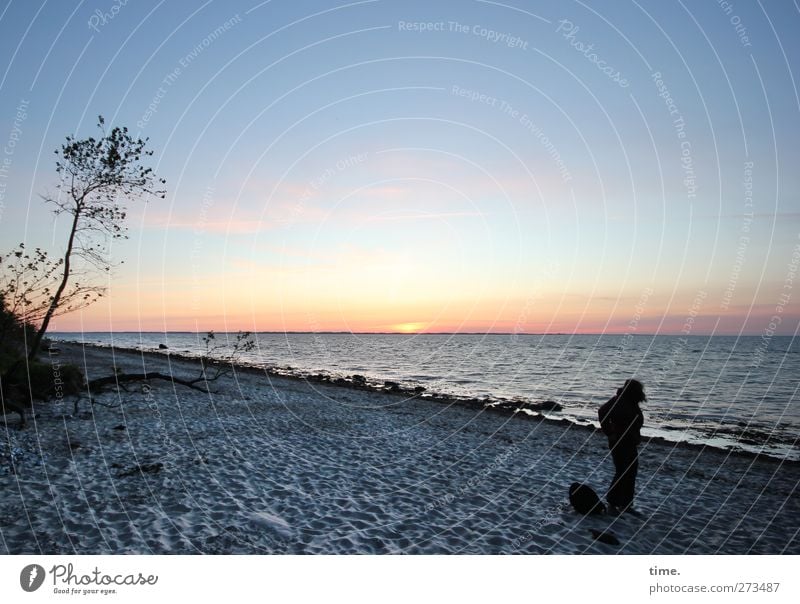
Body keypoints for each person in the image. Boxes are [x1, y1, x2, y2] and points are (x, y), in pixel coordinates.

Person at [598, 379, 646, 513]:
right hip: (619, 441)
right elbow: (602, 412)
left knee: (630, 471)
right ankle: (613, 504)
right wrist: (609, 432)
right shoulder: (618, 400)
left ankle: (625, 504)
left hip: (629, 441)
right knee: (623, 471)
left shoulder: (631, 401)